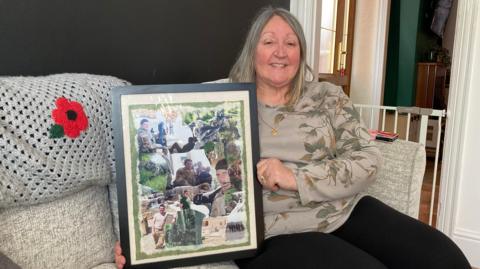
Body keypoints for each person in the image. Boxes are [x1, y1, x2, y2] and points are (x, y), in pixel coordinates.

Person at [115, 6, 470, 269]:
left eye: (290, 43)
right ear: (252, 51)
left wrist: (295, 177)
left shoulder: (327, 97)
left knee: (445, 259)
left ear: (301, 53)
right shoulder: (216, 105)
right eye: (269, 42)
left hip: (343, 209)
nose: (280, 52)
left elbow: (368, 159)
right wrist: (143, 242)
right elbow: (172, 168)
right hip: (272, 232)